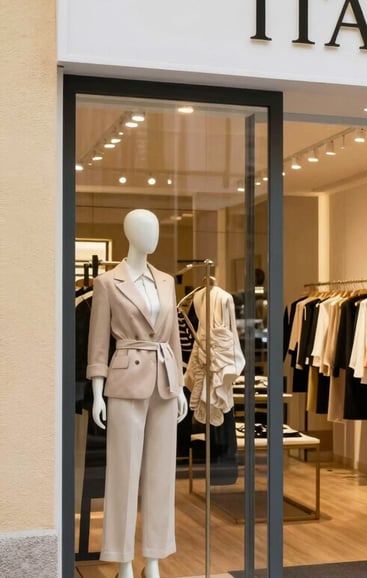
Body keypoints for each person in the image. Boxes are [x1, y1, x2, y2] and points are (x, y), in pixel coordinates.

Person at [86, 209, 188, 578]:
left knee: (161, 475)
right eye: (146, 228)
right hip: (126, 380)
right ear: (130, 233)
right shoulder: (108, 282)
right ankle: (124, 559)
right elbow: (98, 343)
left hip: (163, 381)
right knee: (123, 473)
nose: (154, 234)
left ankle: (155, 559)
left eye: (157, 227)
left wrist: (180, 388)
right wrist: (98, 393)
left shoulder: (165, 281)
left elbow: (174, 338)